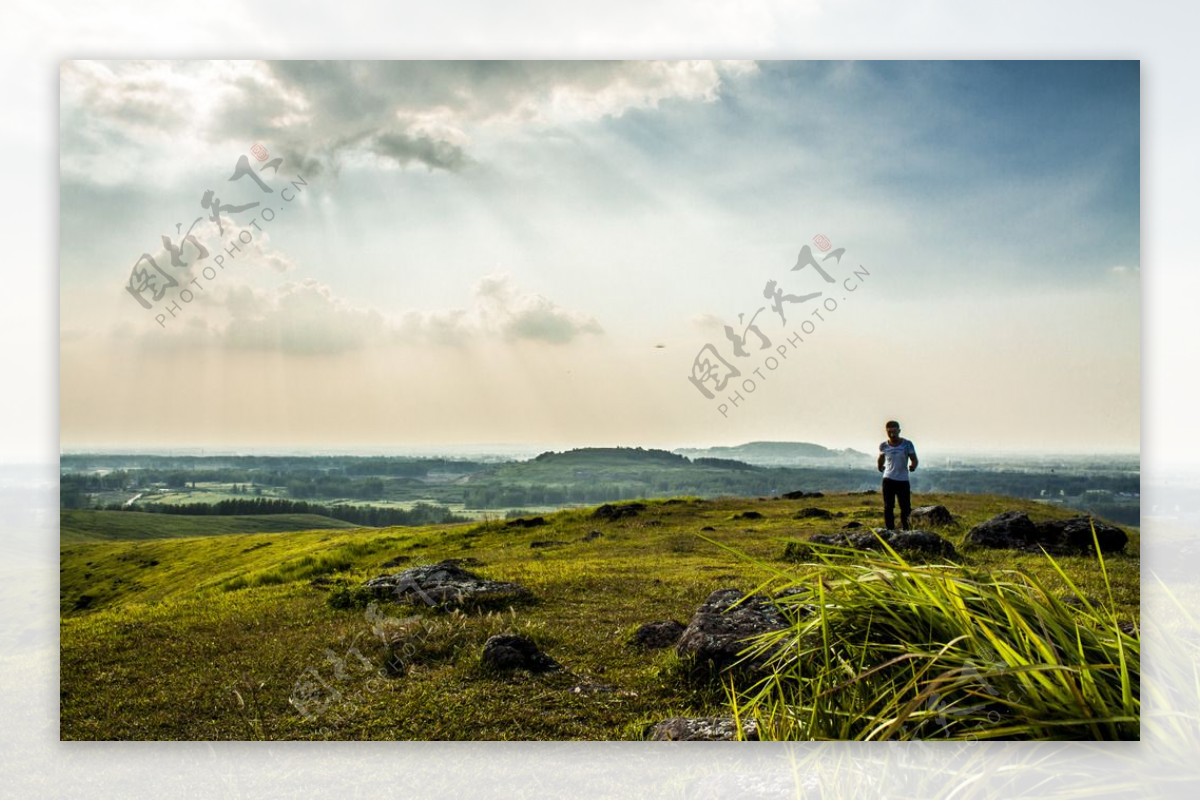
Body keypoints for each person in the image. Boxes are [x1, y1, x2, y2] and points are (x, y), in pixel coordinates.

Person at [877, 420, 918, 530]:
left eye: (894, 431)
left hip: (903, 480)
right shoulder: (883, 445)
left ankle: (906, 531)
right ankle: (890, 531)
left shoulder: (907, 444)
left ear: (899, 431)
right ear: (886, 431)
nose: (892, 434)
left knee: (905, 507)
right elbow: (881, 458)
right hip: (888, 479)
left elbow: (914, 459)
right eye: (889, 431)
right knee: (888, 507)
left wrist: (913, 466)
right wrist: (880, 466)